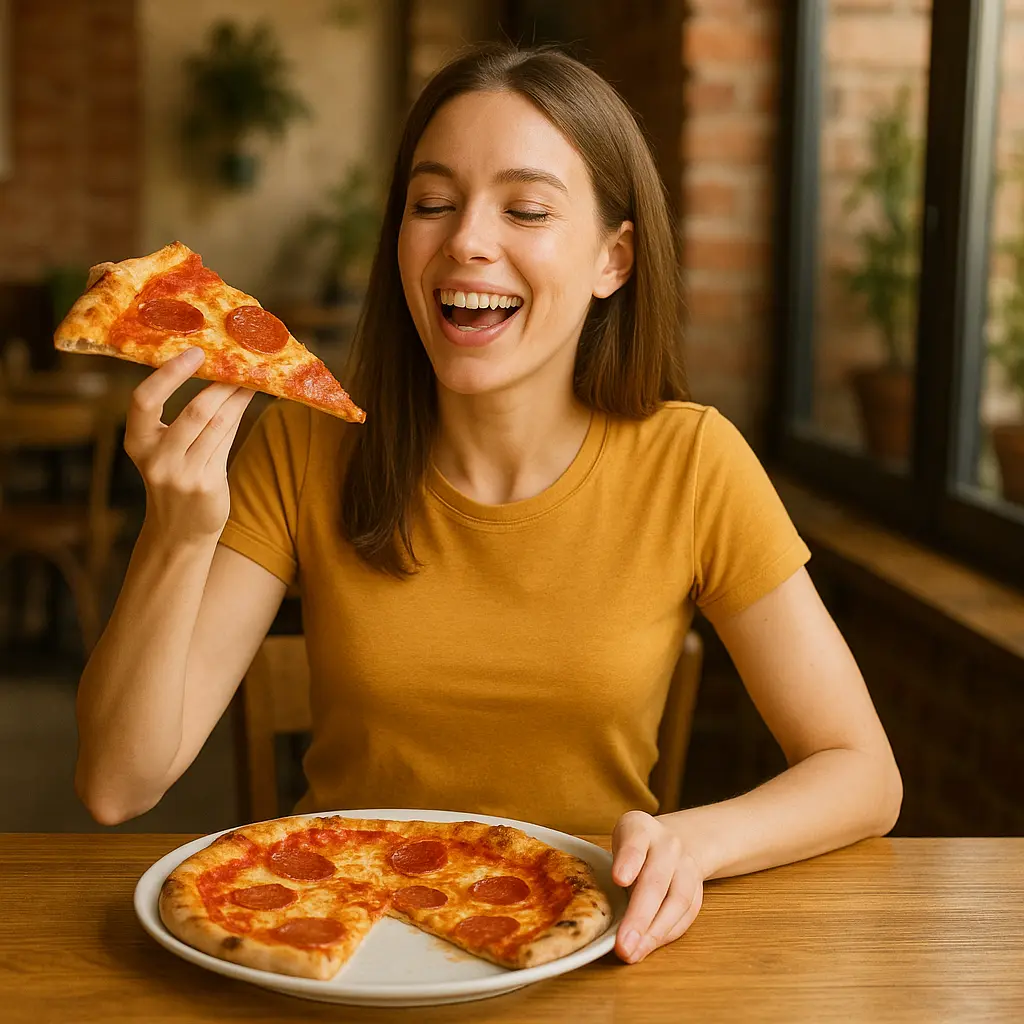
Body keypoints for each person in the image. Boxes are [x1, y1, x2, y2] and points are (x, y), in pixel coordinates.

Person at [75, 43, 902, 966]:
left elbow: (863, 773)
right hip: (336, 948)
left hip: (587, 949)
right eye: (432, 203)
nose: (466, 239)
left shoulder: (694, 462)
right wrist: (175, 534)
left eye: (527, 210)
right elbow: (118, 784)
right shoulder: (305, 445)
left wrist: (694, 841)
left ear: (614, 259)